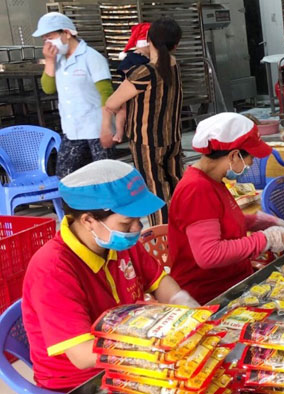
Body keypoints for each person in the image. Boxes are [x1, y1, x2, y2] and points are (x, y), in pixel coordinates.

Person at [21, 160, 198, 392]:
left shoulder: (118, 242)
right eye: (127, 223)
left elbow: (160, 282)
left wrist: (188, 308)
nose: (137, 229)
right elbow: (82, 355)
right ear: (88, 221)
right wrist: (151, 346)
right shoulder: (52, 269)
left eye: (139, 220)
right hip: (81, 381)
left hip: (128, 354)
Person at [168, 113, 284, 305]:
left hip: (235, 283)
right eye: (250, 158)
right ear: (233, 155)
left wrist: (255, 222)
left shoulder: (214, 180)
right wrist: (264, 240)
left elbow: (217, 220)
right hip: (211, 296)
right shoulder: (196, 189)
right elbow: (209, 254)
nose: (252, 164)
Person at [101, 17, 183, 226]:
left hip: (146, 143)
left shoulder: (144, 73)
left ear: (148, 40)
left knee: (156, 194)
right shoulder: (174, 66)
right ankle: (185, 233)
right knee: (177, 188)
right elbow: (162, 57)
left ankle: (165, 242)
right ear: (176, 45)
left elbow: (112, 103)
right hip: (172, 138)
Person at [33, 12, 113, 178]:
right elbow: (48, 88)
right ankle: (79, 205)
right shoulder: (58, 60)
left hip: (96, 128)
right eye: (44, 39)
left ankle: (105, 205)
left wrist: (106, 127)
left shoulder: (91, 57)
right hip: (72, 130)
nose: (48, 42)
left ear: (67, 33)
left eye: (50, 36)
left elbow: (106, 94)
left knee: (104, 178)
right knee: (66, 177)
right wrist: (49, 61)